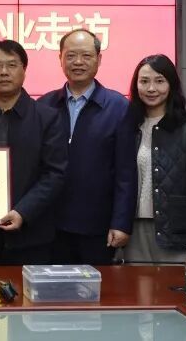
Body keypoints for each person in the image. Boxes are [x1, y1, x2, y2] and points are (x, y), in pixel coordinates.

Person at [0, 40, 66, 265]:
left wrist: (23, 212)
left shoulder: (47, 117)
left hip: (31, 235)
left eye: (12, 65)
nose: (4, 72)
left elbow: (55, 174)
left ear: (24, 70)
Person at [38, 29, 137, 265]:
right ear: (60, 59)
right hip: (51, 225)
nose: (78, 62)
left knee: (96, 286)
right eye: (71, 55)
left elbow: (126, 172)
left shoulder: (119, 107)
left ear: (99, 59)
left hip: (98, 226)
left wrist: (121, 222)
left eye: (86, 55)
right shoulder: (44, 105)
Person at [121, 54, 186, 263]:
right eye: (144, 81)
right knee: (136, 284)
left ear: (171, 84)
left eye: (159, 81)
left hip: (176, 233)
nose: (151, 88)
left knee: (174, 285)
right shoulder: (128, 127)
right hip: (133, 232)